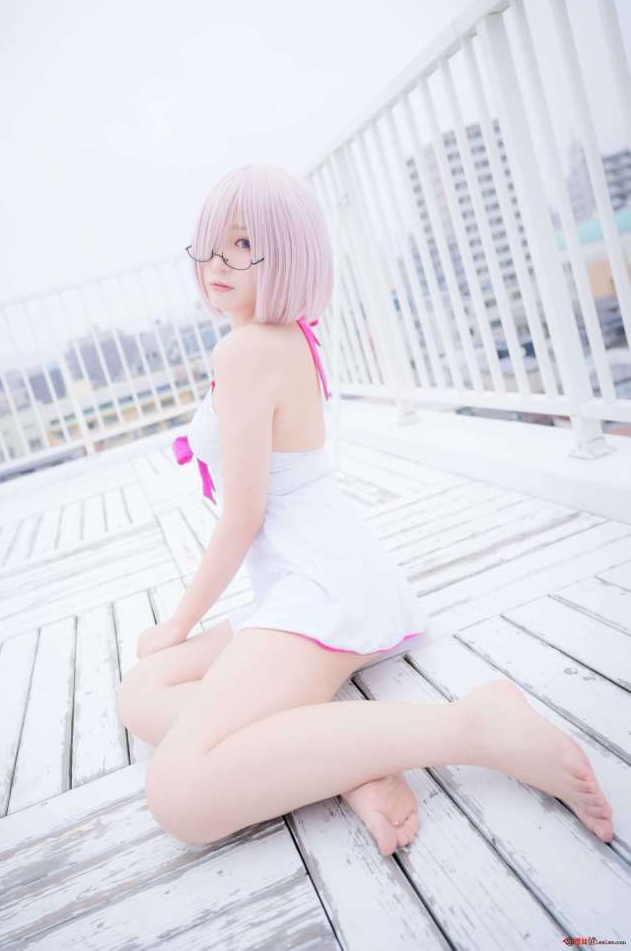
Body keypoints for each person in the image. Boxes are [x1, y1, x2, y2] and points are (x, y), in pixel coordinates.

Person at [117, 163, 614, 856]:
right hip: (316, 578)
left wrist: (178, 621)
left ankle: (471, 727)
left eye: (243, 244)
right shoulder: (284, 336)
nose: (217, 262)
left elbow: (243, 517)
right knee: (143, 693)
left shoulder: (245, 351)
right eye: (210, 243)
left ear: (288, 254)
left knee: (179, 794)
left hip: (321, 593)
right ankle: (349, 764)